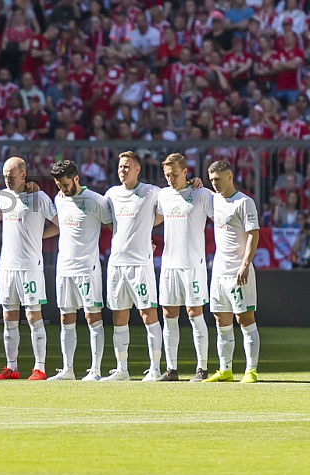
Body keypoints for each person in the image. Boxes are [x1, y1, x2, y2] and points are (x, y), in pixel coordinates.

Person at [0, 157, 58, 381]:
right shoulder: (3, 197)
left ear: (23, 174)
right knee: (8, 317)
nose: (8, 180)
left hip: (30, 266)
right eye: (5, 175)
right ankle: (12, 367)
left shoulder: (38, 197)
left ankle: (39, 367)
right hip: (7, 266)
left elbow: (59, 224)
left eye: (12, 175)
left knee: (33, 316)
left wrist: (39, 237)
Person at [102, 151, 164, 382]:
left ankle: (155, 369)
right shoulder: (111, 194)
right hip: (117, 263)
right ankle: (122, 370)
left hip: (140, 264)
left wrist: (145, 230)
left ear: (138, 169)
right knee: (119, 316)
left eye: (127, 166)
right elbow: (110, 222)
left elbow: (168, 207)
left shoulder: (151, 192)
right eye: (120, 166)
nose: (123, 170)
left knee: (148, 314)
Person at [48, 160, 112, 381]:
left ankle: (95, 370)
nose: (62, 189)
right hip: (64, 267)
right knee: (66, 318)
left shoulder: (95, 200)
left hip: (88, 267)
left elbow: (114, 226)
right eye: (58, 185)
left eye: (65, 184)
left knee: (92, 317)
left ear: (76, 178)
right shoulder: (59, 198)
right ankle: (68, 370)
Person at [156, 153, 214, 382]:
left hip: (193, 265)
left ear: (185, 172)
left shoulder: (201, 194)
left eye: (174, 174)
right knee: (169, 314)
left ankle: (202, 369)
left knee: (194, 313)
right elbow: (153, 218)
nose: (170, 179)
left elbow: (219, 218)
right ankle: (171, 370)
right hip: (169, 264)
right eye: (167, 175)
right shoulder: (163, 195)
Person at [204, 160, 261, 384]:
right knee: (221, 320)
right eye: (212, 180)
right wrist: (200, 184)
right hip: (218, 271)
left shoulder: (244, 202)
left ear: (230, 177)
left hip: (239, 271)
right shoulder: (215, 199)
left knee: (245, 319)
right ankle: (225, 370)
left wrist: (245, 264)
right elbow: (205, 192)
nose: (215, 184)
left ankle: (251, 370)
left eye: (218, 179)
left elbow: (253, 234)